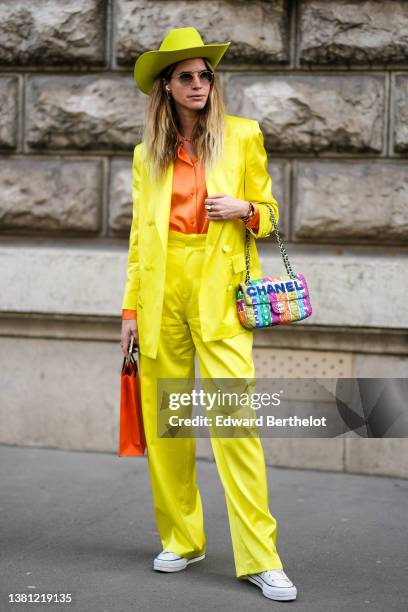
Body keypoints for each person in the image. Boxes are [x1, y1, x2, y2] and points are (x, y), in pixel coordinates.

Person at [120, 26, 297, 602]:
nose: (198, 85)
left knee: (234, 423)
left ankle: (260, 557)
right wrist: (129, 311)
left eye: (205, 76)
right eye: (186, 77)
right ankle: (182, 538)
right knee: (166, 423)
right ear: (166, 88)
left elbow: (271, 217)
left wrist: (246, 208)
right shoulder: (147, 153)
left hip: (220, 292)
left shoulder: (242, 136)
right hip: (160, 291)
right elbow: (138, 241)